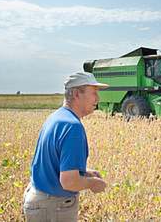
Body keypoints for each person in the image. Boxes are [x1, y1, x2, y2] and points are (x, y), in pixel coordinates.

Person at [23, 71, 108, 221]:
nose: (98, 98)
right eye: (93, 92)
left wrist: (84, 172)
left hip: (40, 200)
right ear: (76, 94)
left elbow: (52, 163)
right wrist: (93, 184)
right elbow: (69, 182)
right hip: (53, 207)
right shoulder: (72, 127)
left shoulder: (57, 117)